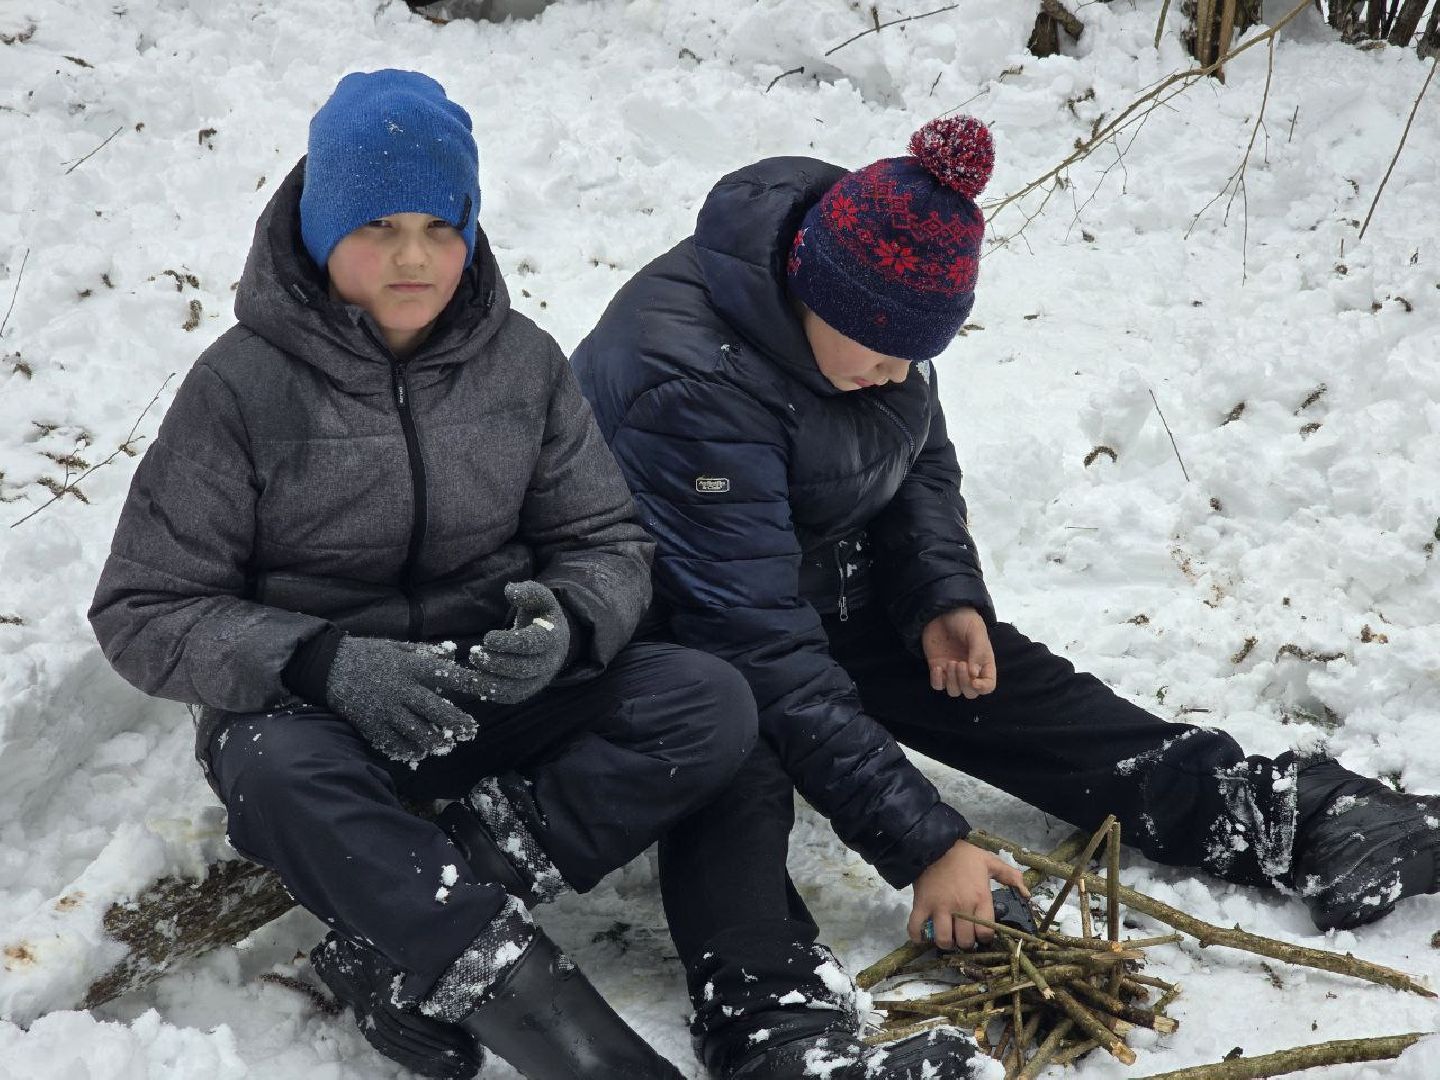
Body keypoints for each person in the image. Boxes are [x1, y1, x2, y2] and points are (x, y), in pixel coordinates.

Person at [570, 115, 1440, 1079]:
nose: (898, 373)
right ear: (817, 292)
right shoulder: (687, 378)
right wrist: (926, 846)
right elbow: (757, 644)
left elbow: (913, 458)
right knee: (742, 757)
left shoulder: (866, 300)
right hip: (663, 633)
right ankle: (775, 1023)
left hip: (793, 586)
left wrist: (942, 596)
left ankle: (1266, 813)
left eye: (914, 355)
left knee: (995, 680)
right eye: (884, 353)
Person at [88, 69, 759, 1080]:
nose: (414, 256)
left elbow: (608, 541)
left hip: (487, 689)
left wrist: (569, 626)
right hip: (318, 711)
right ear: (321, 229)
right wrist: (320, 662)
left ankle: (391, 937)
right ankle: (582, 1049)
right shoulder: (238, 387)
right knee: (273, 774)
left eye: (441, 227)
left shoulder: (525, 365)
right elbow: (141, 608)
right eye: (379, 226)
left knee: (706, 700)